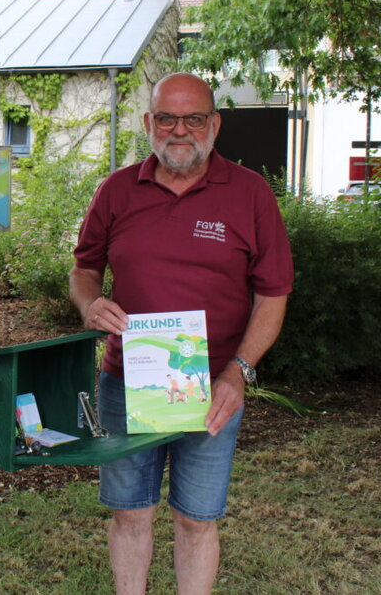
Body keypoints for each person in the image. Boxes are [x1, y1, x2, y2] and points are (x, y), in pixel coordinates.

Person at [69, 72, 293, 595]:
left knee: (196, 518)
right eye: (166, 118)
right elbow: (84, 269)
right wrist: (89, 302)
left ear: (214, 124)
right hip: (128, 381)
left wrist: (239, 373)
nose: (179, 130)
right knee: (130, 514)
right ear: (148, 123)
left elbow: (273, 293)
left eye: (194, 118)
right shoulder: (117, 189)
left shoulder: (250, 193)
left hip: (212, 388)